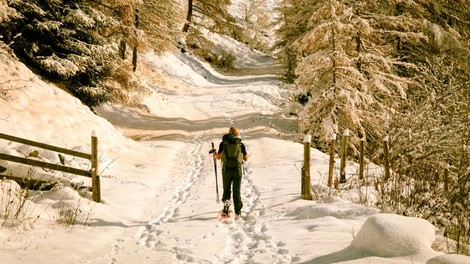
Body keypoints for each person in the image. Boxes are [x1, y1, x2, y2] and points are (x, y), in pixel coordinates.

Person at [213, 127, 248, 218]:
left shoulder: (223, 143)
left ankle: (226, 205)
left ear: (229, 133)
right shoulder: (240, 144)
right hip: (237, 170)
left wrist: (215, 153)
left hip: (226, 170)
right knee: (236, 191)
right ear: (236, 134)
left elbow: (218, 157)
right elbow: (245, 158)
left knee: (226, 189)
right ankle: (238, 213)